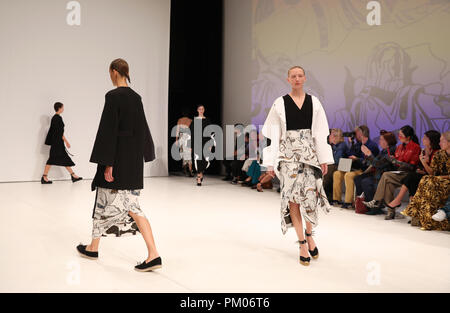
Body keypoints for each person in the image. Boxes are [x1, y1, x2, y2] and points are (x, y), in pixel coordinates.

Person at [76, 58, 161, 272]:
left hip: (116, 162)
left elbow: (108, 131)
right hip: (132, 162)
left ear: (114, 72)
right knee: (119, 204)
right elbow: (142, 129)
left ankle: (153, 254)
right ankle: (94, 246)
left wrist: (108, 164)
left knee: (118, 205)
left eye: (109, 72)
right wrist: (144, 155)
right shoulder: (136, 97)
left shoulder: (112, 97)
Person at [261, 66, 333, 266]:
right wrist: (269, 164)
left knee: (310, 198)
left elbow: (320, 132)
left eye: (300, 75)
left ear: (305, 78)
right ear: (288, 79)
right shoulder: (280, 103)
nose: (297, 78)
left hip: (310, 156)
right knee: (293, 200)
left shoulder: (314, 102)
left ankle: (310, 235)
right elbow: (273, 136)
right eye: (293, 76)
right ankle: (302, 242)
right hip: (288, 158)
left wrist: (324, 158)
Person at [364, 125, 421, 220]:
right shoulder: (399, 147)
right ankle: (391, 211)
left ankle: (376, 200)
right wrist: (393, 160)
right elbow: (392, 163)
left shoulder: (415, 148)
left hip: (408, 175)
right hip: (398, 173)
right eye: (399, 135)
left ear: (408, 137)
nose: (399, 137)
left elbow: (412, 166)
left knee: (385, 175)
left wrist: (396, 162)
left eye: (401, 135)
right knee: (388, 183)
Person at [401, 131, 450, 231]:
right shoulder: (439, 154)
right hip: (438, 181)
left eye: (442, 141)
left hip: (446, 182)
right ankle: (424, 217)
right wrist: (424, 162)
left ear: (449, 142)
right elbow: (432, 173)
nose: (440, 143)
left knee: (428, 181)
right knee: (426, 179)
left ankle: (414, 210)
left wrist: (439, 178)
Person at [385, 130, 441, 211]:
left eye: (425, 138)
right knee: (411, 179)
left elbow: (433, 172)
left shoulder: (437, 153)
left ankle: (398, 201)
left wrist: (424, 163)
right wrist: (421, 169)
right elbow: (421, 167)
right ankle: (412, 210)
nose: (423, 139)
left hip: (433, 178)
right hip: (422, 175)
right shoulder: (425, 151)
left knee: (411, 177)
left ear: (432, 140)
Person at [333, 125, 379, 208]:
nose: (355, 134)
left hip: (364, 170)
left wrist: (357, 159)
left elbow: (370, 162)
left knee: (348, 175)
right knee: (337, 174)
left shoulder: (372, 145)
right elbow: (350, 154)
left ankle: (348, 201)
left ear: (361, 134)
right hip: (353, 167)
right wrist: (351, 144)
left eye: (356, 133)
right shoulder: (357, 144)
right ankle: (336, 199)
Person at [354, 131, 397, 215]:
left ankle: (375, 207)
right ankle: (363, 204)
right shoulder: (384, 150)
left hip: (384, 175)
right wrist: (367, 155)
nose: (379, 142)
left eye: (381, 139)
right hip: (378, 173)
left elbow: (379, 164)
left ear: (387, 141)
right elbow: (374, 162)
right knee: (358, 178)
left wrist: (369, 154)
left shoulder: (391, 151)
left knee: (366, 182)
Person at [42, 102, 82, 184]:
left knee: (63, 158)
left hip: (57, 142)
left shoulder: (56, 118)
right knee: (52, 159)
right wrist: (66, 142)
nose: (63, 109)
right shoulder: (57, 118)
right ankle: (44, 177)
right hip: (57, 143)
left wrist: (65, 142)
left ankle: (73, 175)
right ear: (59, 108)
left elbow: (58, 132)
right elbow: (59, 132)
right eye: (63, 107)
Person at [189, 104, 214, 186]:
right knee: (198, 159)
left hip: (206, 142)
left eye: (202, 109)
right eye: (199, 109)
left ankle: (201, 173)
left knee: (204, 160)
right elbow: (191, 134)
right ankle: (199, 177)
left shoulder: (207, 120)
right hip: (197, 143)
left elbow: (211, 132)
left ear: (204, 110)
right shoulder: (194, 121)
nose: (201, 110)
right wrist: (190, 145)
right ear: (197, 110)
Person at [324, 128, 349, 201]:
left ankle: (328, 195)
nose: (332, 137)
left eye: (334, 136)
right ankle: (326, 194)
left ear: (338, 136)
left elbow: (336, 159)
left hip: (343, 165)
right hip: (334, 165)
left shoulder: (342, 145)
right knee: (327, 168)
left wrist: (333, 147)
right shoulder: (332, 145)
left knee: (329, 170)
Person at [175, 110, 193, 177]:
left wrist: (176, 140)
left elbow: (177, 131)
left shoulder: (180, 120)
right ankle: (190, 169)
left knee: (183, 153)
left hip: (182, 137)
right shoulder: (190, 120)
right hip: (188, 137)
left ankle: (185, 169)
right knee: (188, 153)